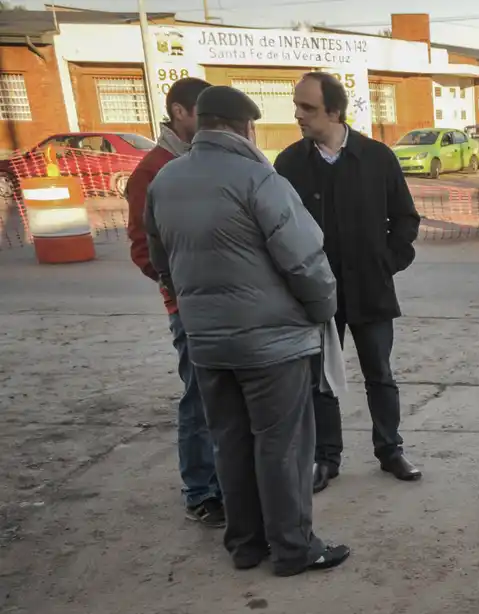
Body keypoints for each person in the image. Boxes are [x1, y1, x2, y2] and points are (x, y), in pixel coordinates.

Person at [145, 85, 351, 577]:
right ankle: (294, 548)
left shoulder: (165, 181)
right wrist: (323, 310)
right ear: (245, 128)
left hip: (208, 344)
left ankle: (245, 544)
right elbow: (305, 261)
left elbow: (162, 263)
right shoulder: (261, 180)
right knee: (283, 446)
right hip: (272, 346)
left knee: (230, 442)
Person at [274, 72, 422, 493]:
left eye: (308, 107)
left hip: (371, 291)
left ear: (334, 111)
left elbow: (405, 218)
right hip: (317, 296)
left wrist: (388, 261)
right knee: (322, 379)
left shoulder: (376, 158)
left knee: (380, 373)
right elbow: (277, 227)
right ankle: (326, 458)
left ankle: (390, 450)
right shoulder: (288, 164)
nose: (298, 115)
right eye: (297, 106)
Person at [125, 75, 224, 527]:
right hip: (188, 307)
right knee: (200, 399)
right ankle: (201, 490)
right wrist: (182, 287)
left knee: (226, 398)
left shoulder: (209, 161)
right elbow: (145, 249)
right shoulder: (154, 170)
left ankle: (227, 483)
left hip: (228, 303)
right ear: (180, 113)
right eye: (200, 112)